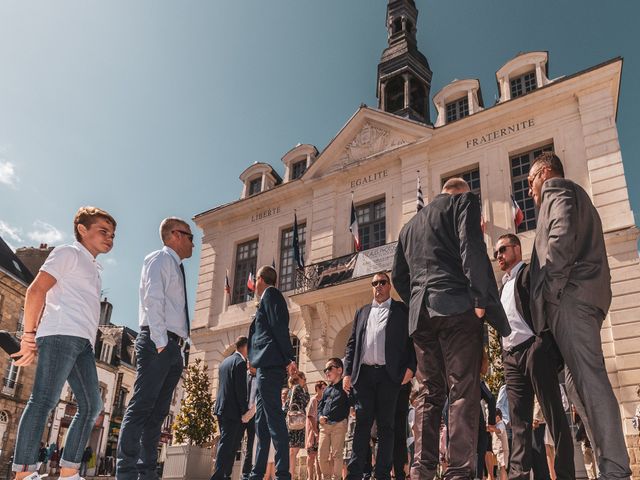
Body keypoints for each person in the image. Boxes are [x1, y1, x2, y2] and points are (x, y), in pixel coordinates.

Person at [392, 177, 510, 480]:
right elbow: (471, 247)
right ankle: (458, 471)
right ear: (460, 192)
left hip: (421, 316)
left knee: (428, 394)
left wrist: (419, 300)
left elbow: (398, 277)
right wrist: (479, 296)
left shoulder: (409, 228)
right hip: (457, 306)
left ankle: (422, 470)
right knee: (462, 389)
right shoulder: (464, 203)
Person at [527, 151, 631, 479]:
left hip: (570, 299)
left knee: (589, 380)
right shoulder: (574, 194)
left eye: (530, 182)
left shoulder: (557, 189)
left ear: (545, 174)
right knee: (577, 386)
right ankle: (608, 467)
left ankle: (615, 472)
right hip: (579, 297)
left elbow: (559, 239)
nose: (530, 191)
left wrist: (549, 294)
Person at [10, 206, 116, 480]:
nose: (110, 238)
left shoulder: (93, 267)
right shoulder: (68, 253)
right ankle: (23, 474)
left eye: (113, 234)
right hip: (59, 335)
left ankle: (69, 473)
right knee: (43, 400)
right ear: (82, 230)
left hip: (82, 343)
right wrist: (28, 336)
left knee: (92, 406)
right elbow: (36, 290)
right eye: (103, 231)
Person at [117, 217, 194, 480]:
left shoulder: (176, 266)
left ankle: (146, 471)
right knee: (141, 407)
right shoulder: (159, 259)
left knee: (158, 412)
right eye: (190, 237)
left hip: (173, 347)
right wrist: (161, 342)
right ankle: (125, 472)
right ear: (176, 235)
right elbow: (153, 299)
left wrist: (176, 348)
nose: (194, 243)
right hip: (157, 342)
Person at [494, 233, 574, 480]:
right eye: (496, 253)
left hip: (534, 350)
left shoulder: (530, 273)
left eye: (503, 250)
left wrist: (543, 343)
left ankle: (564, 475)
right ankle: (519, 475)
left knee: (553, 415)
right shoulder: (502, 286)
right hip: (510, 357)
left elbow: (549, 306)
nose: (499, 256)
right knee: (519, 423)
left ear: (516, 249)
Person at [343, 272, 416, 480]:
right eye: (374, 283)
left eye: (382, 282)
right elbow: (352, 345)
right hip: (364, 376)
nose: (378, 286)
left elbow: (413, 341)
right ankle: (355, 473)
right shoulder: (362, 312)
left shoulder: (401, 310)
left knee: (386, 426)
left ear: (389, 285)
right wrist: (347, 372)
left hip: (389, 376)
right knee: (362, 426)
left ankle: (382, 474)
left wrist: (411, 368)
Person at [248, 265, 297, 480]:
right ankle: (257, 473)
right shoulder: (268, 298)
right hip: (263, 367)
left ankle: (282, 473)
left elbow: (279, 327)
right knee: (261, 423)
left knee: (275, 419)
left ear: (260, 279)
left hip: (270, 366)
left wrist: (289, 357)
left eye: (255, 279)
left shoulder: (272, 295)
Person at [210, 336, 250, 480]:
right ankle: (218, 476)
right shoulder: (240, 362)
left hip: (221, 408)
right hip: (232, 411)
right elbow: (240, 391)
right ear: (245, 347)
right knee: (227, 445)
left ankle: (225, 475)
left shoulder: (224, 362)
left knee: (230, 444)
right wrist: (245, 410)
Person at [317, 358, 350, 480]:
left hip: (339, 425)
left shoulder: (345, 387)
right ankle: (326, 477)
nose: (326, 372)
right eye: (325, 370)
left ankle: (336, 478)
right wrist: (320, 416)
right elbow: (320, 407)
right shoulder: (326, 390)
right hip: (324, 426)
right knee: (321, 455)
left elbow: (352, 402)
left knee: (337, 455)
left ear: (340, 370)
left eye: (329, 368)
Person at [285, 372, 310, 479]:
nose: (305, 380)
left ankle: (289, 474)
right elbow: (305, 402)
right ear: (299, 378)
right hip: (297, 422)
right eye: (304, 378)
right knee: (293, 451)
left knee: (292, 451)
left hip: (291, 422)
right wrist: (306, 390)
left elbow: (286, 407)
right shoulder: (298, 388)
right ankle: (290, 475)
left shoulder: (291, 390)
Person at [306, 381, 327, 480]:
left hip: (322, 429)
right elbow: (310, 416)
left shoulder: (325, 400)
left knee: (320, 455)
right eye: (323, 388)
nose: (325, 390)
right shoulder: (313, 400)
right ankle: (310, 477)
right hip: (314, 431)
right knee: (311, 455)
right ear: (317, 389)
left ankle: (319, 476)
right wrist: (315, 432)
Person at [240, 364, 258, 480]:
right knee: (234, 442)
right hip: (240, 415)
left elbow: (259, 397)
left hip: (253, 415)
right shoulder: (242, 376)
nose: (250, 366)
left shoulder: (260, 376)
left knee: (251, 444)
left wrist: (250, 414)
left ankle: (246, 473)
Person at [492, 410, 508, 480]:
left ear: (498, 417)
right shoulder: (497, 425)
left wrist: (492, 428)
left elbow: (499, 430)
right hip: (498, 450)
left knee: (502, 467)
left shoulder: (501, 424)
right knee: (499, 467)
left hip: (502, 450)